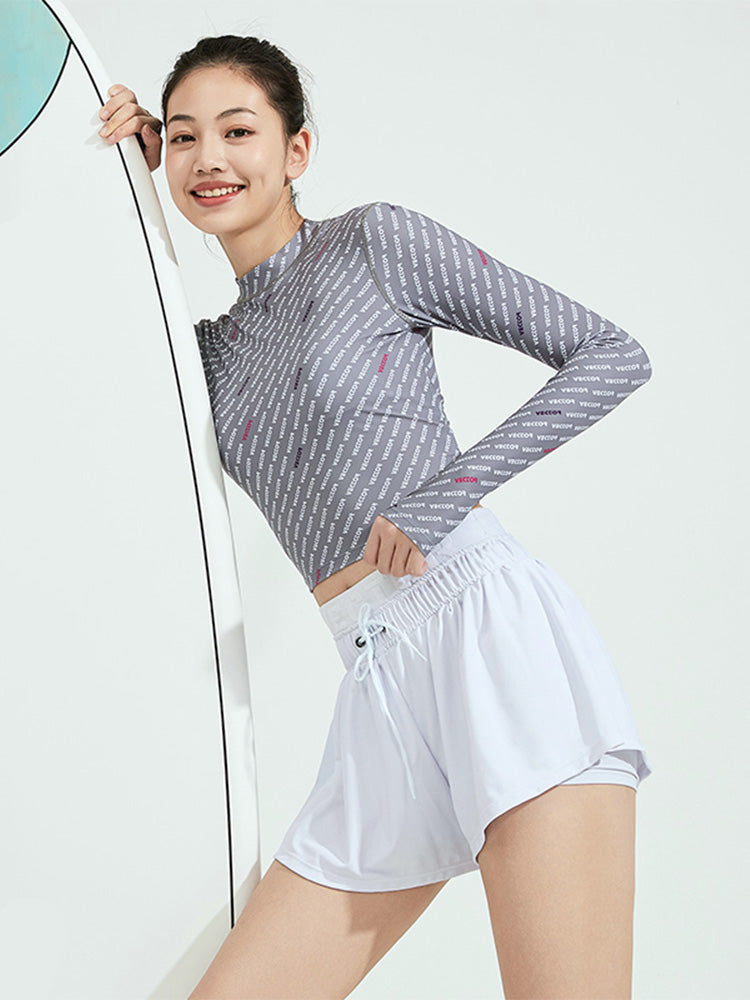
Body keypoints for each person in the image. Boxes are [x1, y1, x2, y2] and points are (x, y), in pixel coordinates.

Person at [98, 34, 653, 999]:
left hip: (487, 637)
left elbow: (611, 355)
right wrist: (113, 183)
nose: (209, 157)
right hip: (376, 682)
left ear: (297, 150)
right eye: (183, 137)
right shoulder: (207, 353)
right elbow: (87, 328)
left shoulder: (374, 242)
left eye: (238, 131)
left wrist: (445, 495)